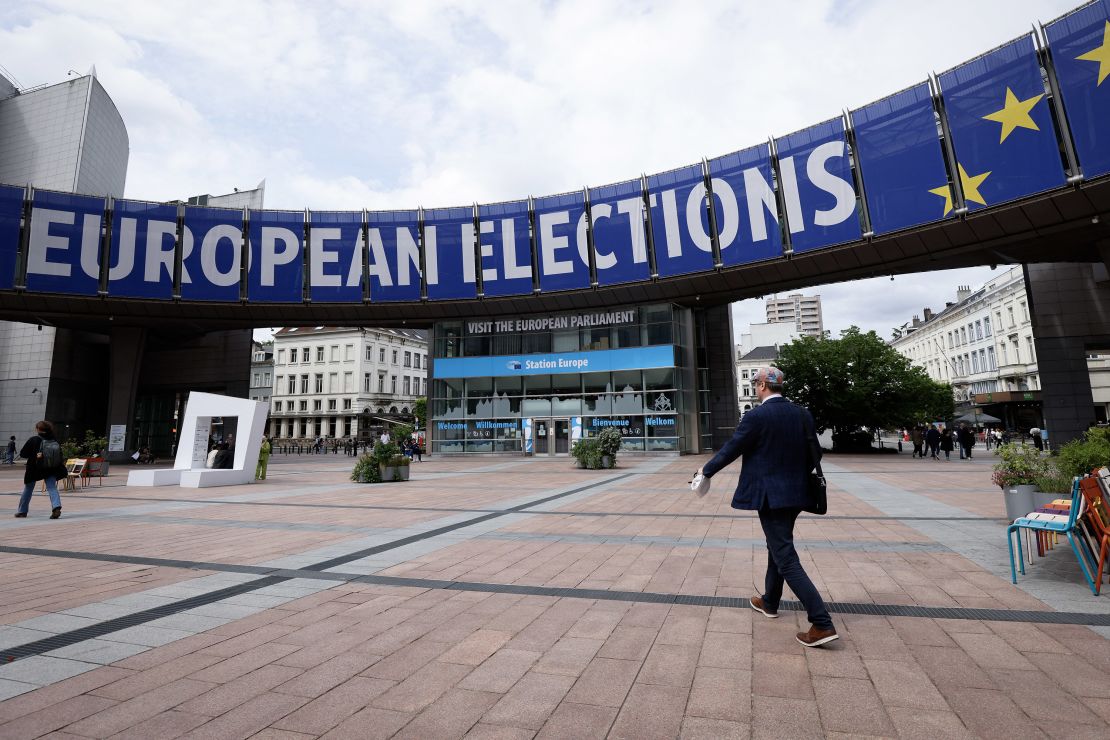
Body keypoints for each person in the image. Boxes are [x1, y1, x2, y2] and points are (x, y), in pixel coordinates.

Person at [697, 366, 837, 648]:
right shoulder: (802, 413)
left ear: (762, 386)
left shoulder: (757, 416)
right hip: (797, 494)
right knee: (778, 545)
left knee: (785, 555)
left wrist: (706, 471)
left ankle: (821, 622)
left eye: (754, 383)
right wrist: (794, 476)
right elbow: (815, 452)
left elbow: (733, 448)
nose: (755, 386)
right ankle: (770, 601)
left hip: (771, 497)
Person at [14, 420, 65, 519]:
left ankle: (22, 511)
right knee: (51, 487)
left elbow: (23, 454)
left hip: (34, 468)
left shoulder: (34, 439)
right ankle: (56, 506)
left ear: (38, 429)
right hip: (50, 468)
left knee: (28, 488)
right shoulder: (54, 440)